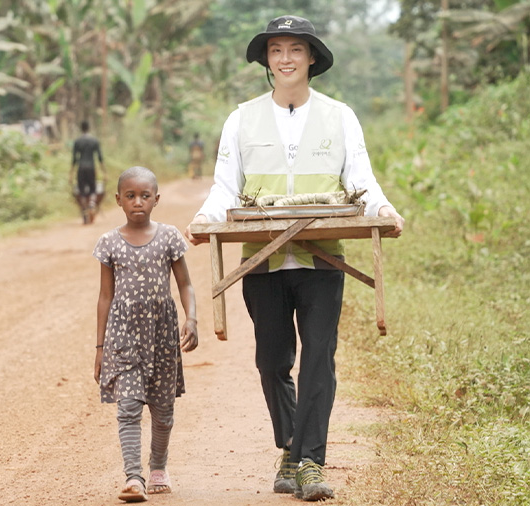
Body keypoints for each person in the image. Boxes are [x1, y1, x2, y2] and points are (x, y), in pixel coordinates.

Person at [184, 15, 405, 502]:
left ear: (311, 59)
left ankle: (309, 461)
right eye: (276, 49)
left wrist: (382, 208)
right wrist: (204, 219)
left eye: (295, 50)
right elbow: (225, 186)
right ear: (266, 59)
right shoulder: (241, 118)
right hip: (260, 260)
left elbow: (360, 178)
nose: (285, 58)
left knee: (319, 357)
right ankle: (291, 446)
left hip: (323, 257)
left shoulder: (340, 115)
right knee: (271, 361)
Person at [93, 166, 199, 503]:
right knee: (128, 407)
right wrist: (100, 347)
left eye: (144, 196)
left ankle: (158, 468)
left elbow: (185, 284)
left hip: (162, 337)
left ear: (156, 199)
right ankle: (133, 477)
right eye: (130, 196)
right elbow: (105, 296)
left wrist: (191, 318)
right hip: (123, 336)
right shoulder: (109, 243)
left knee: (163, 409)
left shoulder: (169, 237)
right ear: (118, 200)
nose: (137, 202)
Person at [70, 120, 105, 224]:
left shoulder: (77, 141)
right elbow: (100, 157)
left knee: (82, 191)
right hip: (91, 167)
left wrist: (71, 173)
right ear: (88, 128)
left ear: (81, 128)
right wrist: (104, 172)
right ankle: (92, 205)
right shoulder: (94, 141)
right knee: (93, 189)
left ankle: (85, 210)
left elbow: (74, 159)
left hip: (81, 168)